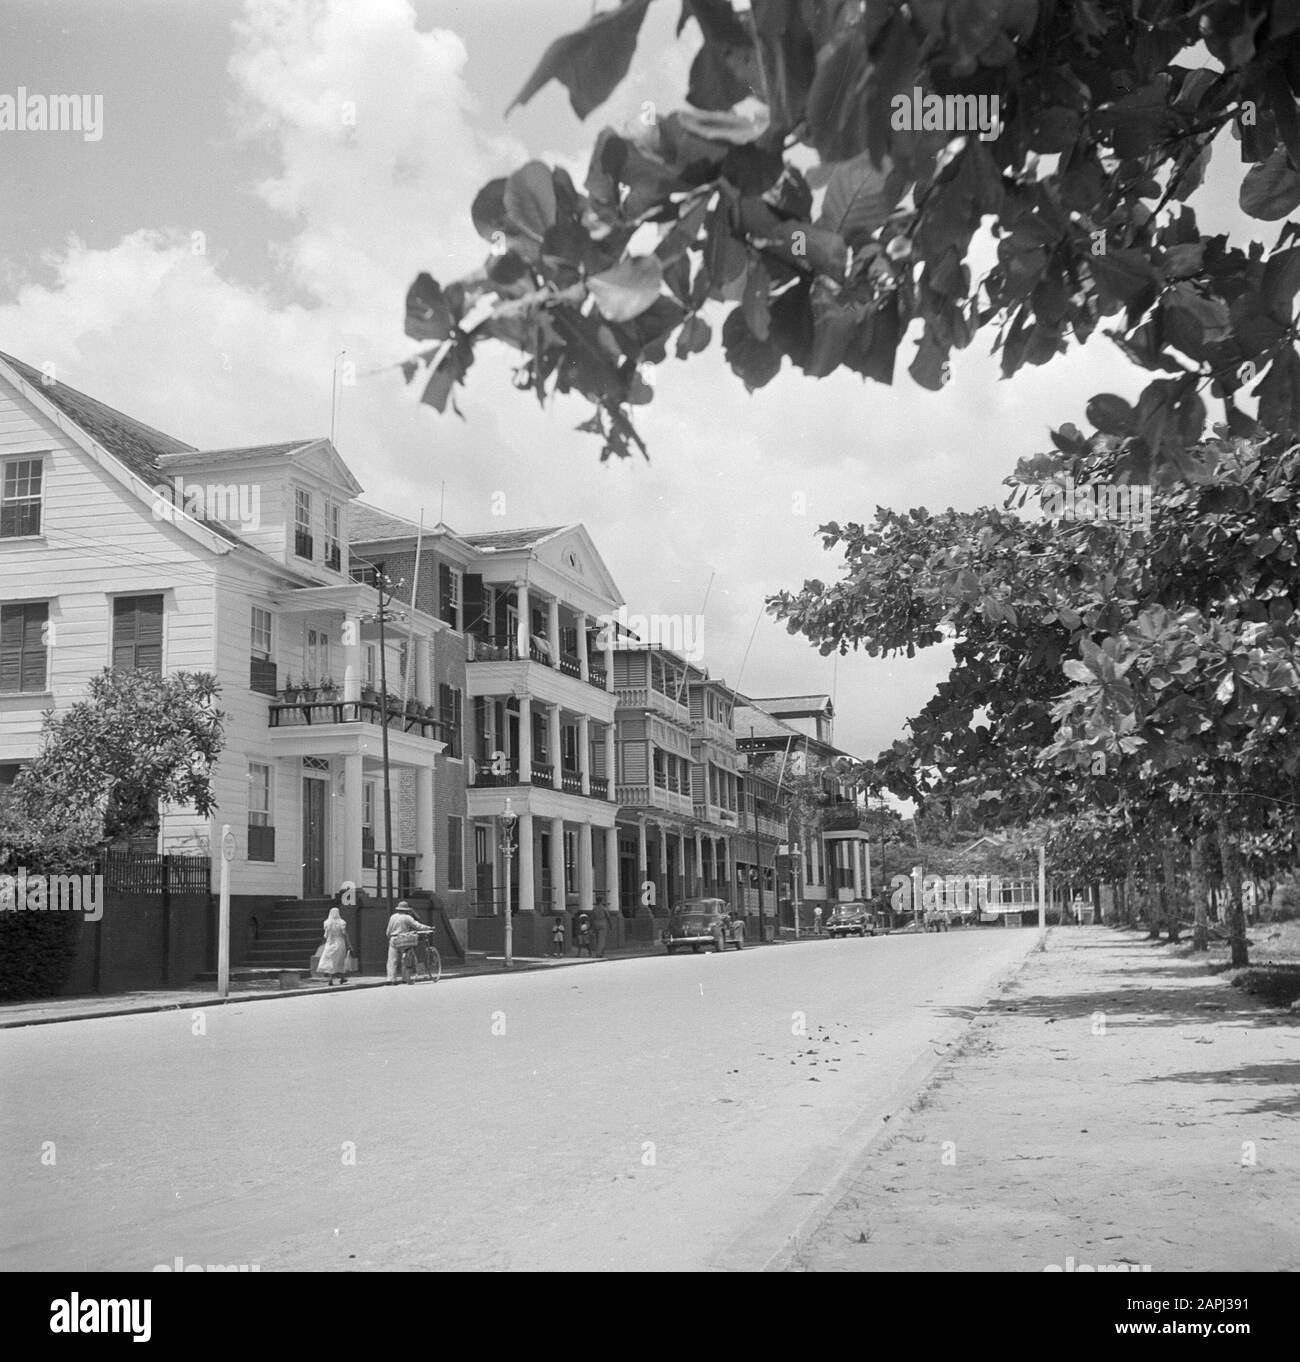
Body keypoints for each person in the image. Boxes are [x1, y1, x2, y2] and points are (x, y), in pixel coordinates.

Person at [385, 900, 427, 983]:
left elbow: (388, 931)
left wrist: (390, 936)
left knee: (392, 960)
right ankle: (405, 978)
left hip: (393, 939)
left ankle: (391, 979)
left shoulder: (393, 917)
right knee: (405, 960)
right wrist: (428, 927)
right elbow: (417, 926)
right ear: (406, 910)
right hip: (404, 939)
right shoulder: (407, 917)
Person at [315, 905, 353, 986]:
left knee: (330, 961)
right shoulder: (342, 922)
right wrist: (349, 944)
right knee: (340, 961)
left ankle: (330, 979)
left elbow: (325, 935)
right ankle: (342, 978)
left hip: (330, 943)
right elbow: (345, 934)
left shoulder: (326, 923)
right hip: (340, 942)